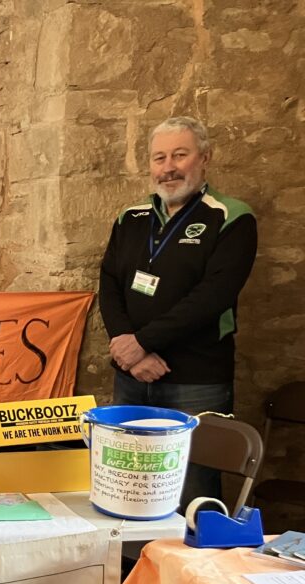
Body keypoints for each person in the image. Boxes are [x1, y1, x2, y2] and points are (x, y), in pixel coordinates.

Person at [98, 116, 257, 506]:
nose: (168, 167)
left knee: (192, 495)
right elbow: (109, 282)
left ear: (205, 158)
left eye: (180, 155)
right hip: (132, 377)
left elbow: (212, 297)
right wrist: (128, 350)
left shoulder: (232, 217)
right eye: (159, 158)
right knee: (128, 487)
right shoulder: (130, 217)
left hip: (196, 381)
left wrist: (141, 343)